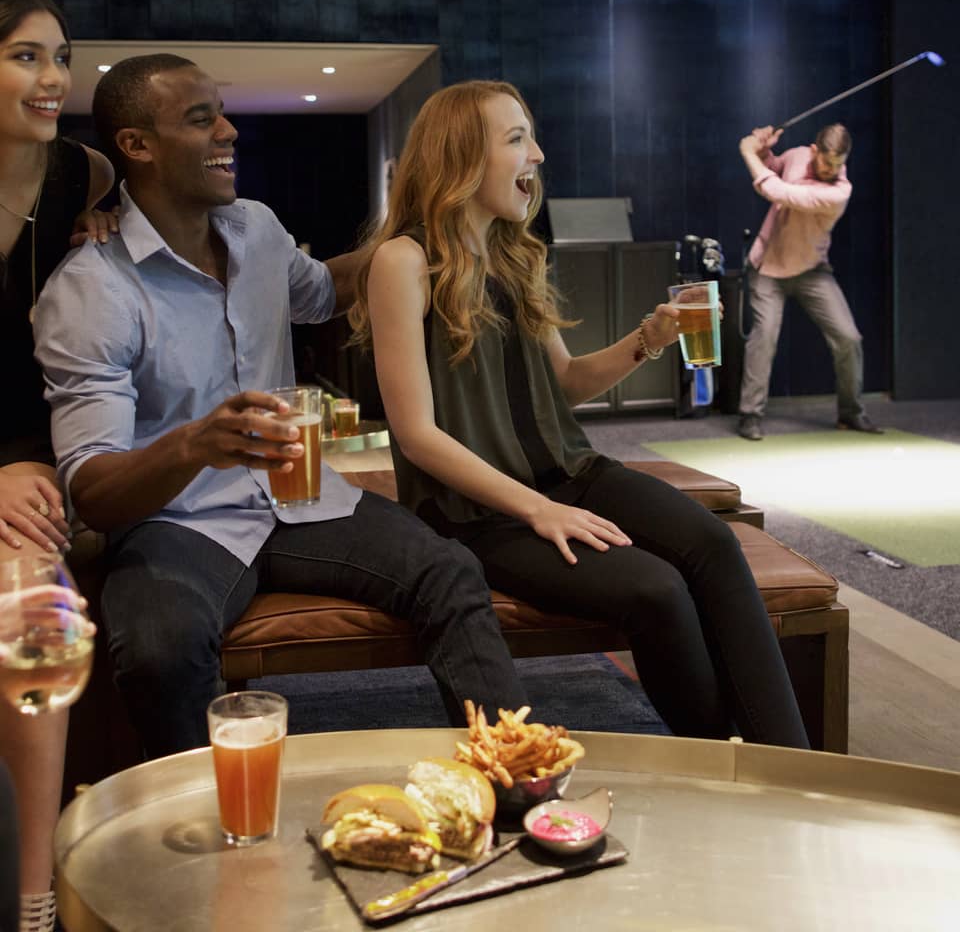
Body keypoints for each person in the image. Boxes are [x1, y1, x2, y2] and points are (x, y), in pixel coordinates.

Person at [32, 53, 528, 762]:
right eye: (202, 120)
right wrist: (196, 444)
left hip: (303, 501)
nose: (229, 131)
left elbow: (325, 291)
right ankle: (205, 830)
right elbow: (95, 493)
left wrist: (426, 227)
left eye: (222, 112)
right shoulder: (90, 291)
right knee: (158, 652)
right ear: (137, 146)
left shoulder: (256, 228)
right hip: (180, 523)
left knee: (451, 573)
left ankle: (515, 778)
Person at [348, 80, 809, 749]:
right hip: (477, 513)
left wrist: (650, 337)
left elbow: (562, 384)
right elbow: (416, 436)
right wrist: (537, 509)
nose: (536, 153)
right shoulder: (404, 261)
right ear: (459, 156)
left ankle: (790, 763)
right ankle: (721, 761)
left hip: (568, 469)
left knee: (713, 543)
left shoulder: (513, 252)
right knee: (655, 590)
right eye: (515, 140)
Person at [0, 0, 115, 932]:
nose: (52, 79)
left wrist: (104, 230)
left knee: (31, 598)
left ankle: (35, 895)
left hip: (43, 445)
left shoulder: (81, 173)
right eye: (24, 56)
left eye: (61, 58)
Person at [736, 123, 881, 441]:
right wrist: (763, 149)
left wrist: (747, 153)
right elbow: (773, 169)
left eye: (839, 164)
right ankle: (749, 414)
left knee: (848, 338)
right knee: (764, 338)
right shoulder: (798, 155)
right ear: (814, 151)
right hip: (768, 268)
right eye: (827, 162)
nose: (833, 170)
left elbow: (777, 191)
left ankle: (851, 412)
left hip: (812, 270)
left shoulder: (839, 191)